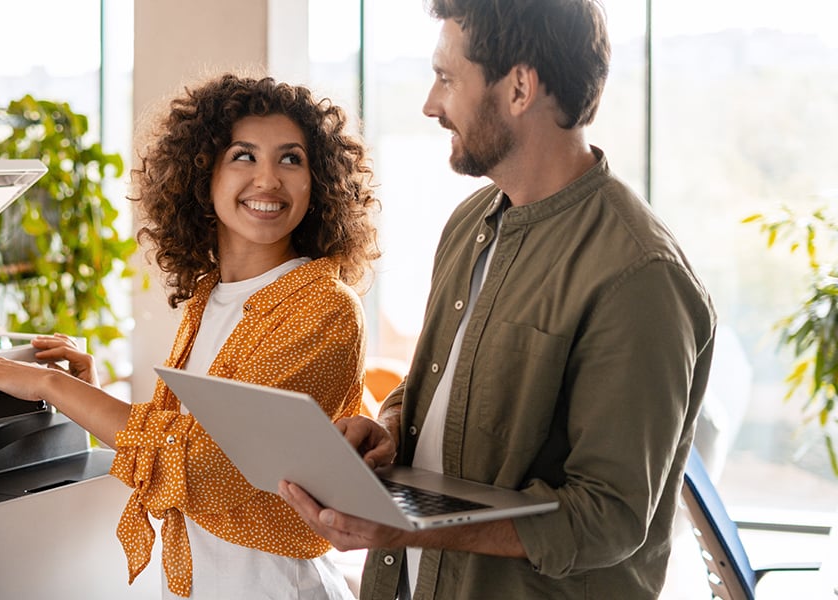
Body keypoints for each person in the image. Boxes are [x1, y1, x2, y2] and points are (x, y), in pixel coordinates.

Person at [277, 1, 717, 599]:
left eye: (448, 79)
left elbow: (608, 520)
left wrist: (412, 527)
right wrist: (388, 428)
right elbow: (434, 386)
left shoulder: (639, 274)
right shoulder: (471, 222)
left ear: (518, 88)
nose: (431, 104)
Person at [0, 73, 380, 599]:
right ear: (202, 173)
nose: (268, 180)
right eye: (243, 156)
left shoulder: (324, 307)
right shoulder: (211, 298)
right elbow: (166, 447)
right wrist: (90, 390)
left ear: (318, 182)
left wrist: (50, 387)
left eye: (291, 159)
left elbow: (205, 464)